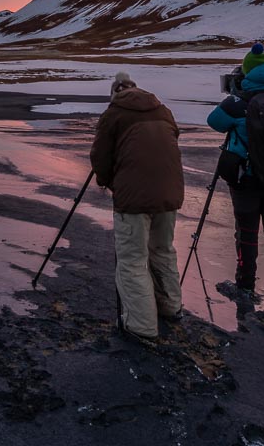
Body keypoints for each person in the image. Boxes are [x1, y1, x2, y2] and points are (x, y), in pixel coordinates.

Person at [90, 71, 184, 341]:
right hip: (169, 193)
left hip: (133, 198)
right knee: (163, 250)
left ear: (114, 93)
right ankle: (171, 307)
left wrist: (107, 181)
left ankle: (141, 325)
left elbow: (100, 156)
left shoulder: (114, 113)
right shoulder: (163, 110)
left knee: (131, 260)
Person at [206, 43, 264, 295]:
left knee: (246, 231)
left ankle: (245, 283)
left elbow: (214, 122)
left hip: (245, 177)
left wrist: (237, 93)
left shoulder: (238, 102)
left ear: (246, 74)